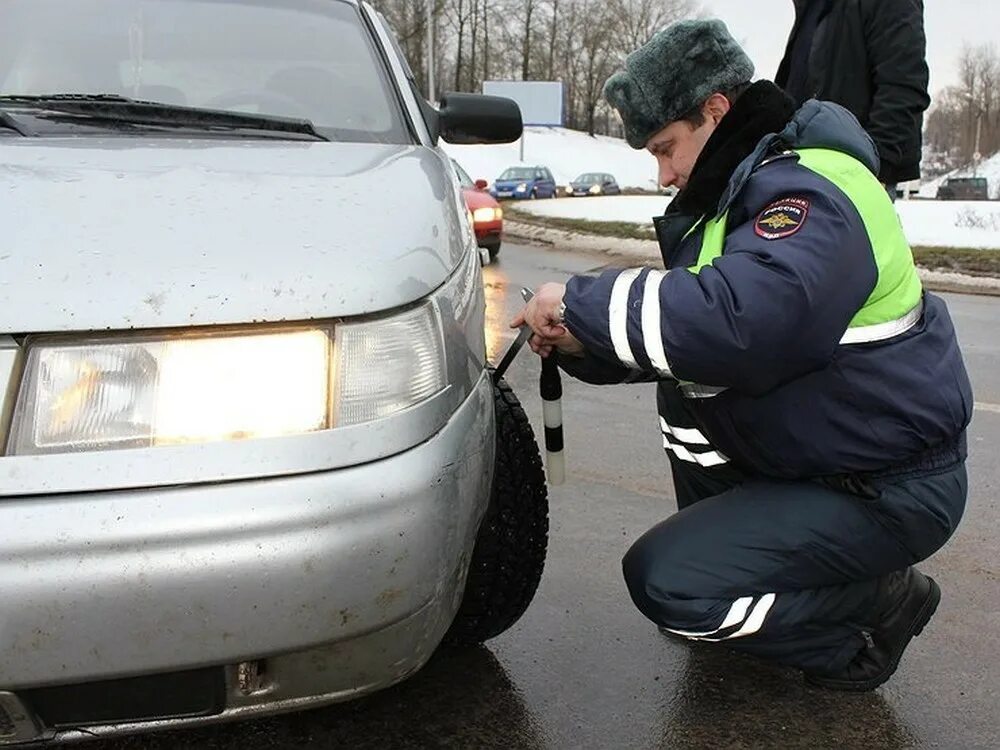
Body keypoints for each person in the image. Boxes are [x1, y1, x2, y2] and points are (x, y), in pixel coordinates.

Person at [512, 19, 971, 691]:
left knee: (670, 587)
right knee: (684, 391)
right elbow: (691, 334)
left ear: (716, 110)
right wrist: (582, 340)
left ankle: (878, 610)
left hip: (888, 486)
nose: (664, 174)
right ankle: (735, 571)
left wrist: (582, 302)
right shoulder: (743, 194)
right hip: (829, 459)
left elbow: (744, 324)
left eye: (667, 148)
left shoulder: (812, 187)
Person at [775, 0, 930, 196]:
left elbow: (903, 86)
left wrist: (877, 165)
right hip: (795, 168)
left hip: (854, 175)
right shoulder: (815, 8)